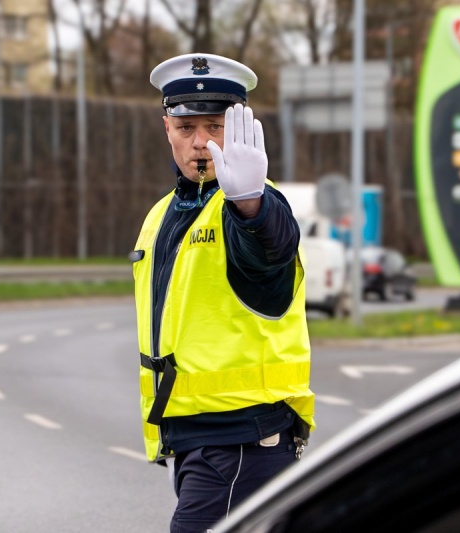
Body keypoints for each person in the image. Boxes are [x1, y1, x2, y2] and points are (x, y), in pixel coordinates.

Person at [131, 52, 315, 533]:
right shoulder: (161, 214)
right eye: (186, 128)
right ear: (167, 128)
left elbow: (270, 249)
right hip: (195, 436)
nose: (200, 143)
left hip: (243, 438)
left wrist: (249, 203)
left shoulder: (252, 201)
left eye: (214, 127)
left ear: (237, 130)